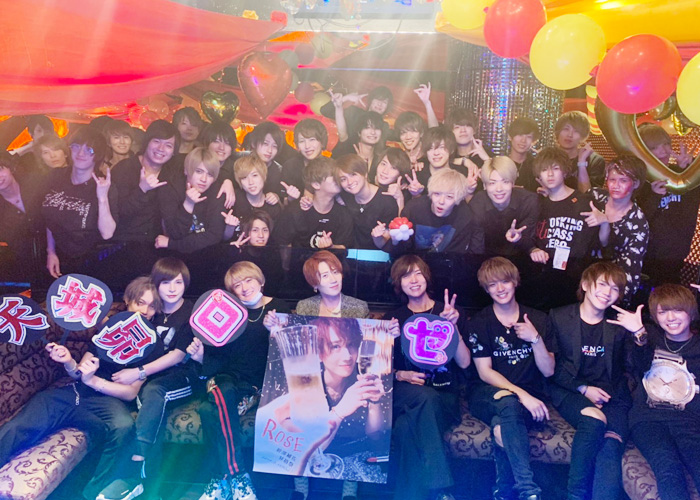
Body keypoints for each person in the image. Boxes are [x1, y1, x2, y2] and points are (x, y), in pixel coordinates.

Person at [0, 277, 161, 500]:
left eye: (152, 306)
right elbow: (78, 372)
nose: (145, 311)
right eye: (140, 303)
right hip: (75, 393)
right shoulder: (108, 330)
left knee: (124, 427)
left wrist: (94, 381)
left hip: (109, 401)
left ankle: (95, 493)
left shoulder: (151, 343)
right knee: (20, 425)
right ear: (127, 300)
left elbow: (131, 392)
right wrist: (68, 361)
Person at [188, 261, 291, 500]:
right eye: (237, 285)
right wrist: (201, 357)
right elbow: (219, 358)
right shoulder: (227, 313)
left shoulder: (278, 307)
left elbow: (289, 355)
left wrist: (275, 331)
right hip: (226, 379)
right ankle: (238, 477)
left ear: (260, 281)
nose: (244, 288)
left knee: (207, 410)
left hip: (255, 384)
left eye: (248, 280)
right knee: (220, 393)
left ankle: (219, 479)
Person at [98, 258, 196, 498]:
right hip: (150, 380)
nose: (172, 289)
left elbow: (177, 356)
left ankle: (134, 471)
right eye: (165, 283)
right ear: (156, 284)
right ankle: (147, 485)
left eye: (178, 282)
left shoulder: (191, 312)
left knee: (154, 394)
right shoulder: (151, 311)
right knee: (150, 406)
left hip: (182, 378)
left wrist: (138, 372)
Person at [383, 254, 470, 500]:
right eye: (405, 276)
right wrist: (401, 372)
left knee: (404, 428)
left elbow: (464, 362)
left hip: (444, 397)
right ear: (398, 284)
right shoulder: (394, 319)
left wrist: (453, 328)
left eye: (418, 273)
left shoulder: (450, 313)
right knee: (424, 397)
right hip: (405, 394)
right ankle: (441, 489)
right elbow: (379, 370)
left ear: (427, 277)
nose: (413, 280)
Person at [467, 257, 552, 500]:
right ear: (486, 289)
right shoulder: (480, 322)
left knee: (501, 427)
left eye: (504, 281)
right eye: (492, 284)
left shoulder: (537, 319)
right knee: (508, 401)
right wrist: (522, 395)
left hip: (528, 399)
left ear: (515, 282)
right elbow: (484, 372)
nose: (500, 288)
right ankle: (528, 489)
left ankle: (503, 491)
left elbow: (548, 371)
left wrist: (535, 339)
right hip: (486, 394)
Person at [547, 261, 632, 500]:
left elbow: (636, 368)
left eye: (615, 288)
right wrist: (583, 388)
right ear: (585, 284)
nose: (607, 292)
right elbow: (552, 369)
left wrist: (639, 334)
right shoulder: (559, 317)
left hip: (613, 395)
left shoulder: (619, 324)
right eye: (602, 284)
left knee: (610, 446)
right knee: (593, 422)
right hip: (571, 390)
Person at [613, 284, 700, 500]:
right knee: (668, 468)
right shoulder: (650, 336)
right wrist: (638, 333)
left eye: (678, 310)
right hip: (648, 420)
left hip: (689, 420)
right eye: (663, 312)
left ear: (690, 312)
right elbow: (640, 366)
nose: (670, 318)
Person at [529, 147, 604, 308]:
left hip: (576, 280)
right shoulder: (538, 204)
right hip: (543, 282)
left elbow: (602, 243)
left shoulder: (584, 201)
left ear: (564, 171)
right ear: (538, 176)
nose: (550, 174)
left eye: (555, 168)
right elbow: (531, 240)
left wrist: (604, 222)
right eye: (544, 170)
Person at [41, 126, 117, 278]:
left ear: (98, 155)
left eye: (89, 149)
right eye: (76, 146)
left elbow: (107, 233)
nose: (81, 153)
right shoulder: (56, 176)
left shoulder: (104, 185)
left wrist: (102, 197)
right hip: (59, 259)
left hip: (93, 262)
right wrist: (51, 251)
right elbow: (50, 219)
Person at [637, 123, 700, 285]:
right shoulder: (639, 180)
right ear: (643, 151)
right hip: (645, 259)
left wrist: (691, 168)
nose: (663, 151)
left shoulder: (682, 174)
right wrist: (654, 196)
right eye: (655, 147)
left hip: (676, 257)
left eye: (666, 144)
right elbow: (636, 219)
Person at [588, 156, 649, 305]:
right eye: (612, 180)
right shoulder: (595, 196)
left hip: (609, 290)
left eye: (623, 180)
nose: (616, 185)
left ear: (636, 184)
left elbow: (630, 274)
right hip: (580, 276)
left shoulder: (638, 223)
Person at [380, 168, 484, 254]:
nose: (441, 201)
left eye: (449, 197)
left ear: (458, 199)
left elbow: (455, 255)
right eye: (437, 194)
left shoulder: (464, 214)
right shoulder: (413, 208)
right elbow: (402, 251)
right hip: (413, 264)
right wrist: (395, 241)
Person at [156, 147, 226, 253]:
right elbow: (174, 233)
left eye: (210, 174)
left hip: (207, 254)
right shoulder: (170, 189)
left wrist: (172, 244)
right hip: (174, 255)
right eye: (199, 171)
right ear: (186, 170)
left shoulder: (217, 191)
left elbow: (214, 235)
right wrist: (188, 204)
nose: (204, 179)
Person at [275, 157, 354, 249]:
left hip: (332, 258)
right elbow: (283, 244)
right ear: (316, 184)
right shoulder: (294, 212)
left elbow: (344, 248)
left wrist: (331, 247)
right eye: (333, 175)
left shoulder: (344, 214)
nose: (338, 179)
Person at [468, 156, 538, 258]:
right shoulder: (478, 203)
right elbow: (476, 248)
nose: (499, 189)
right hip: (487, 260)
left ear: (513, 183)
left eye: (505, 182)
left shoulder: (529, 201)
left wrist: (519, 238)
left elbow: (531, 245)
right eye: (492, 183)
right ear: (485, 186)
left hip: (521, 258)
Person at [336, 154, 398, 249]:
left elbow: (388, 245)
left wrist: (378, 237)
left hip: (377, 254)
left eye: (353, 174)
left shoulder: (387, 202)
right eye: (343, 179)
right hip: (351, 253)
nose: (349, 182)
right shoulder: (345, 196)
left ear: (365, 174)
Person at [0, 152, 44, 280]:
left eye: (0, 169)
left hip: (62, 253)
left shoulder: (35, 182)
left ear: (11, 167)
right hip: (28, 269)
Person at [330, 91, 385, 182]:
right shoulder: (349, 149)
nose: (373, 132)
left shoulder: (381, 159)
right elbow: (342, 132)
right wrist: (339, 107)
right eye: (367, 128)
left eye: (377, 128)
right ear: (359, 132)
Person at [296, 250, 369, 318]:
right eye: (325, 275)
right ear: (314, 284)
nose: (333, 280)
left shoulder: (359, 308)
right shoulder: (304, 307)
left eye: (335, 272)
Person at [553, 111, 605, 192]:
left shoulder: (595, 160)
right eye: (566, 129)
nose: (570, 135)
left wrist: (582, 163)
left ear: (582, 136)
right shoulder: (548, 158)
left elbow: (588, 194)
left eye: (576, 131)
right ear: (558, 132)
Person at [247, 121, 301, 200]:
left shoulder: (279, 172)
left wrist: (280, 197)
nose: (269, 150)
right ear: (253, 143)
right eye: (265, 143)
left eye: (274, 146)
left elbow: (283, 200)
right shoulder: (240, 164)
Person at [281, 119, 328, 194]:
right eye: (302, 141)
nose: (307, 146)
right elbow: (284, 198)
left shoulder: (332, 167)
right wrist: (290, 198)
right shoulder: (290, 166)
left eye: (312, 140)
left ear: (322, 142)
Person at [231, 154, 282, 222]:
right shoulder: (233, 199)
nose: (250, 182)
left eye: (255, 175)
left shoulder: (273, 207)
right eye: (244, 177)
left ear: (263, 176)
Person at [507, 118, 540, 192]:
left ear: (533, 141)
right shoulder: (500, 163)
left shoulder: (537, 166)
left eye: (529, 137)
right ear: (510, 136)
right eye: (520, 135)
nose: (523, 140)